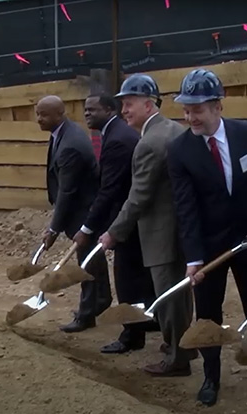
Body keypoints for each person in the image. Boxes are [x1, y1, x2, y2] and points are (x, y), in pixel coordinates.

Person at [167, 69, 247, 406]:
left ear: (217, 106)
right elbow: (186, 208)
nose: (190, 116)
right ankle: (211, 377)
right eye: (186, 109)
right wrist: (194, 257)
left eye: (197, 109)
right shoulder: (180, 150)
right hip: (209, 247)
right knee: (208, 314)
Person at [98, 74, 196, 376]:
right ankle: (181, 346)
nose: (124, 110)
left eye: (129, 104)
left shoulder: (150, 143)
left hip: (162, 232)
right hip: (183, 229)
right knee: (181, 292)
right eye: (122, 105)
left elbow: (138, 196)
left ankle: (177, 359)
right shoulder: (172, 130)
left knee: (168, 295)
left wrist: (114, 232)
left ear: (148, 104)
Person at [73, 94, 157, 351]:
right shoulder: (117, 133)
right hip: (130, 218)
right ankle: (149, 325)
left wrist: (87, 227)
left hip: (128, 222)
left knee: (128, 281)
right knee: (139, 278)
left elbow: (110, 189)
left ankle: (133, 335)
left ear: (111, 110)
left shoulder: (118, 140)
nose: (87, 114)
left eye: (93, 109)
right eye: (85, 110)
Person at [34, 95, 108, 333]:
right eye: (37, 114)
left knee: (86, 264)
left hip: (84, 212)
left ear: (59, 114)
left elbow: (67, 192)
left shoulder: (70, 146)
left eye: (43, 115)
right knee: (92, 261)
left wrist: (53, 229)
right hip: (82, 209)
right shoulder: (63, 134)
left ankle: (87, 315)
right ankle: (99, 301)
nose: (39, 120)